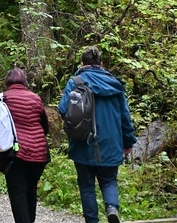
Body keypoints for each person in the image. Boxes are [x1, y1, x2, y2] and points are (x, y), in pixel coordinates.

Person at [57, 46, 136, 223]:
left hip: (82, 142)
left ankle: (92, 221)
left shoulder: (75, 82)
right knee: (109, 181)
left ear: (82, 63)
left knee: (86, 186)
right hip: (111, 143)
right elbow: (125, 117)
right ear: (101, 63)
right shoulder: (114, 84)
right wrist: (128, 141)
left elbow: (63, 109)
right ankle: (112, 208)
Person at [0, 67, 50, 223]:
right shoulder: (35, 98)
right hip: (39, 154)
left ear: (7, 82)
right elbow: (45, 125)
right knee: (30, 190)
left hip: (14, 153)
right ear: (25, 82)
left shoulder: (1, 98)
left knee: (17, 191)